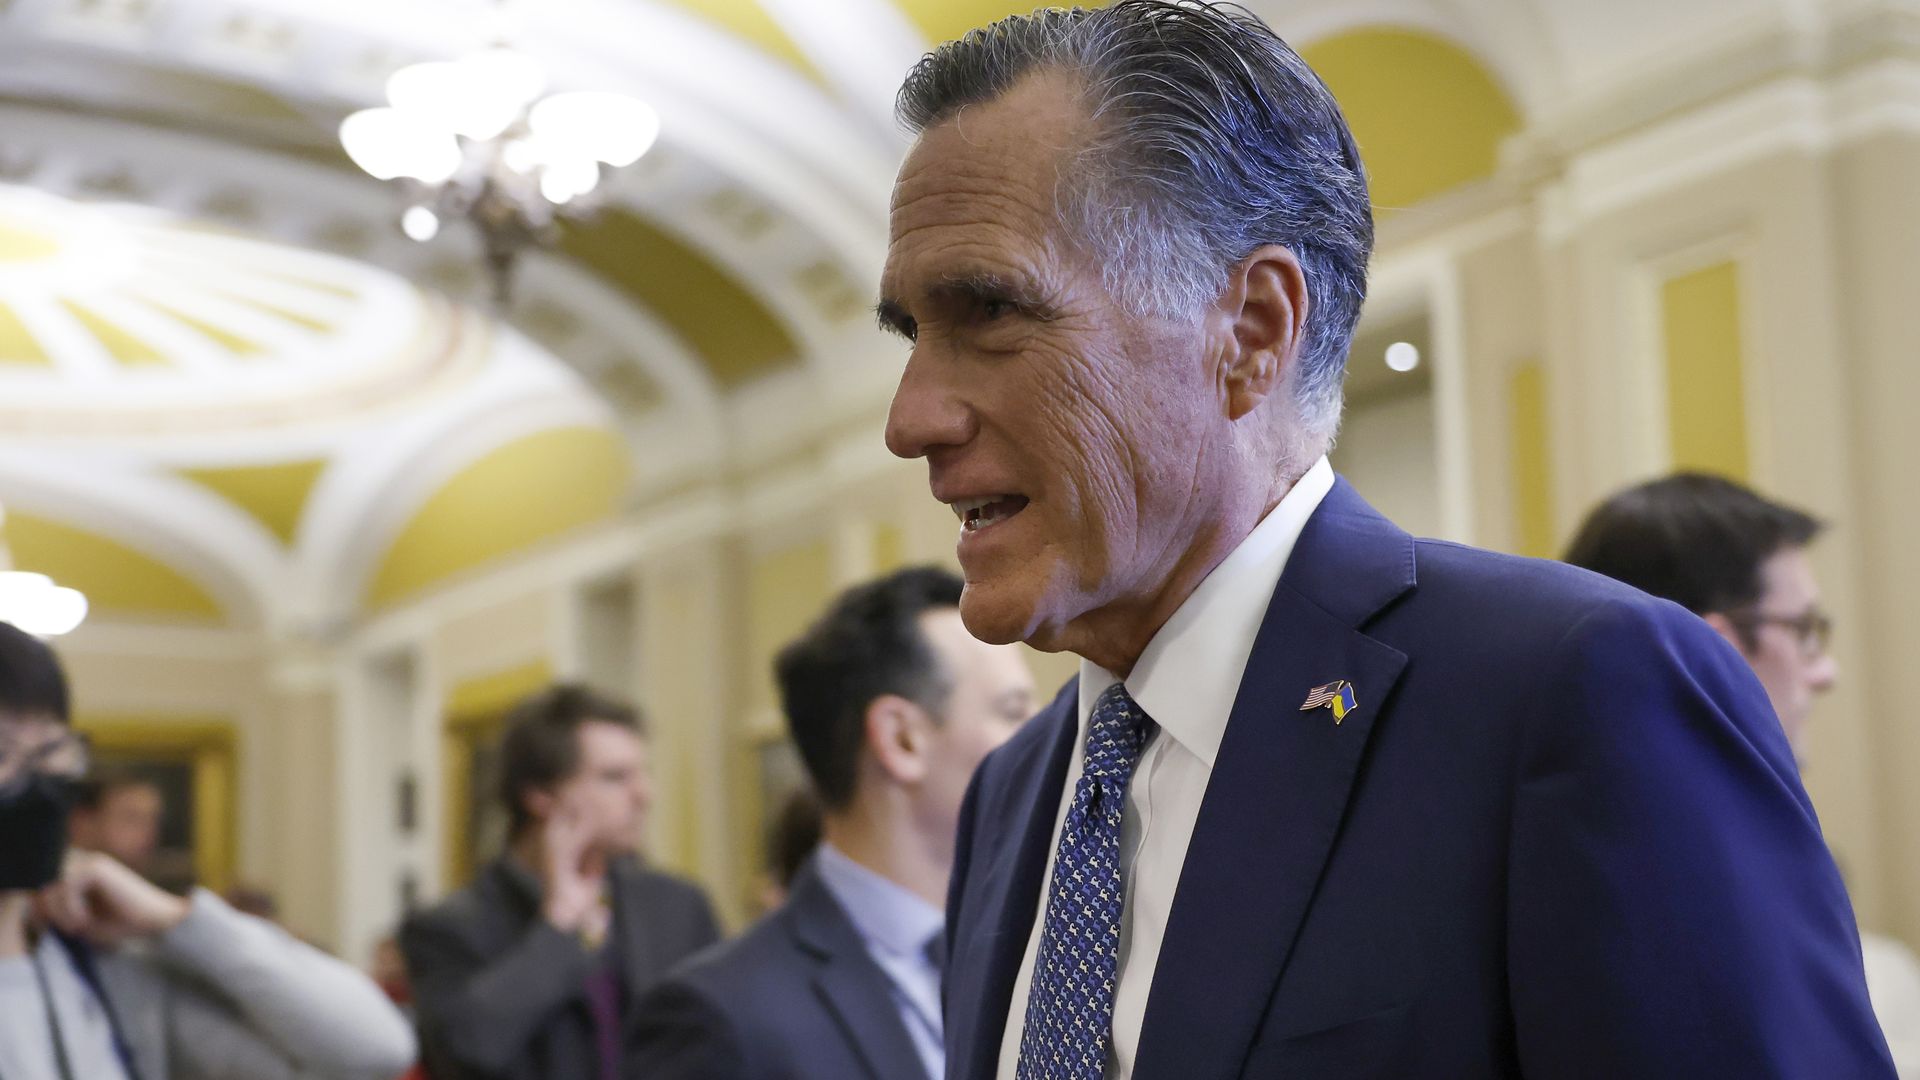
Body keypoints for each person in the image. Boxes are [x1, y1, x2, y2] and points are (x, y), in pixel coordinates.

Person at [877, 3, 1894, 1077]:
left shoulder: (1577, 694)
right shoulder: (1017, 790)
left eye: (988, 311)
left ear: (1253, 331)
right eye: (910, 334)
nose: (910, 419)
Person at [1566, 471, 1920, 1076]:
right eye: (1804, 631)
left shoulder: (1555, 838)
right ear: (1716, 652)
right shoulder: (1710, 889)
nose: (1825, 671)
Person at [629, 566, 1036, 1080]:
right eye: (1013, 711)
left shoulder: (1030, 952)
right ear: (901, 740)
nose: (1042, 740)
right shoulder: (722, 1017)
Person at [0, 620, 418, 1080]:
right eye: (2, 753)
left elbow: (375, 1049)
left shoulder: (108, 970)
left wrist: (178, 919)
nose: (34, 781)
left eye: (52, 751)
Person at [401, 684, 720, 1080]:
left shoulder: (677, 906)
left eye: (643, 774)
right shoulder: (445, 929)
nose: (644, 795)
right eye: (615, 777)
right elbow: (466, 1051)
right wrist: (558, 927)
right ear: (541, 796)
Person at [68, 770, 163, 876]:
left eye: (153, 819)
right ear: (83, 823)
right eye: (131, 818)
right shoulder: (55, 883)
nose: (149, 831)